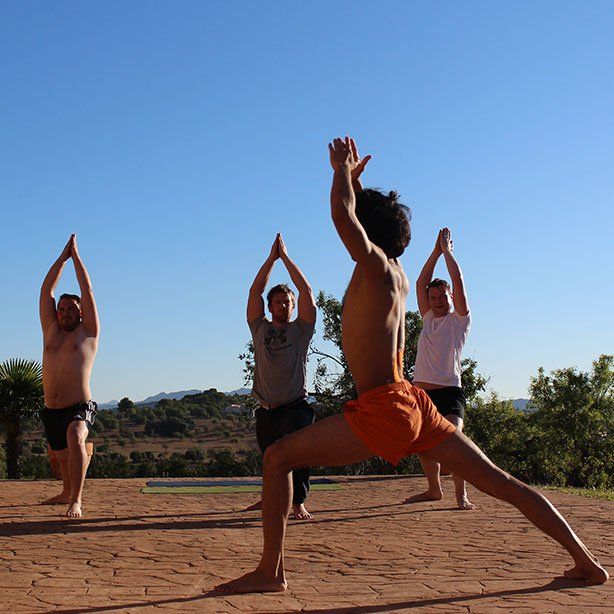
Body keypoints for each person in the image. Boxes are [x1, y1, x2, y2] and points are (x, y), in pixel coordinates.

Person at [216, 136, 608, 593]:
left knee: (278, 457)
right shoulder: (395, 274)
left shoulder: (376, 268)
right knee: (502, 482)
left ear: (368, 232)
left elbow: (343, 217)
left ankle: (270, 573)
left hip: (386, 408)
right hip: (414, 404)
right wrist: (355, 186)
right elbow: (355, 216)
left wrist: (339, 172)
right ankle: (587, 562)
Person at [246, 233, 317, 520]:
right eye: (278, 302)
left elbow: (307, 292)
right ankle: (271, 499)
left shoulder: (301, 330)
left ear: (293, 306)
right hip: (267, 408)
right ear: (270, 307)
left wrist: (285, 258)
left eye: (287, 302)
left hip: (295, 405)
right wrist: (270, 259)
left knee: (299, 451)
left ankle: (298, 502)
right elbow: (254, 293)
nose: (283, 306)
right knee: (270, 459)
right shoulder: (259, 328)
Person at [404, 227, 475, 509]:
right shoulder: (427, 318)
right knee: (422, 443)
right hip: (422, 392)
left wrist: (447, 253)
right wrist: (434, 252)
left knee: (454, 439)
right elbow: (421, 282)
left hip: (450, 391)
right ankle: (434, 489)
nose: (437, 301)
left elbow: (458, 280)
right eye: (433, 297)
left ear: (451, 297)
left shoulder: (459, 321)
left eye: (442, 297)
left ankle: (461, 494)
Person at [39, 234, 100, 518]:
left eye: (71, 310)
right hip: (51, 409)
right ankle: (66, 492)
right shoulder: (50, 330)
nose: (64, 313)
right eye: (61, 309)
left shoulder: (88, 333)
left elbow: (87, 290)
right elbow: (46, 290)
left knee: (76, 436)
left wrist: (75, 258)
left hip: (79, 406)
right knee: (63, 457)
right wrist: (61, 258)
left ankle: (76, 500)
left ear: (80, 313)